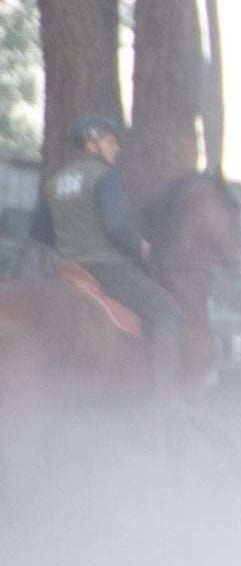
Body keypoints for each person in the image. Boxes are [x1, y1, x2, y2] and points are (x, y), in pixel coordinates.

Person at [29, 115, 183, 400]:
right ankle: (164, 399)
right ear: (92, 144)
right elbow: (115, 226)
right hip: (107, 268)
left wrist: (71, 244)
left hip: (67, 269)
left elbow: (38, 230)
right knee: (167, 313)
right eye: (111, 142)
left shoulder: (55, 182)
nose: (117, 148)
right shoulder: (106, 177)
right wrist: (138, 247)